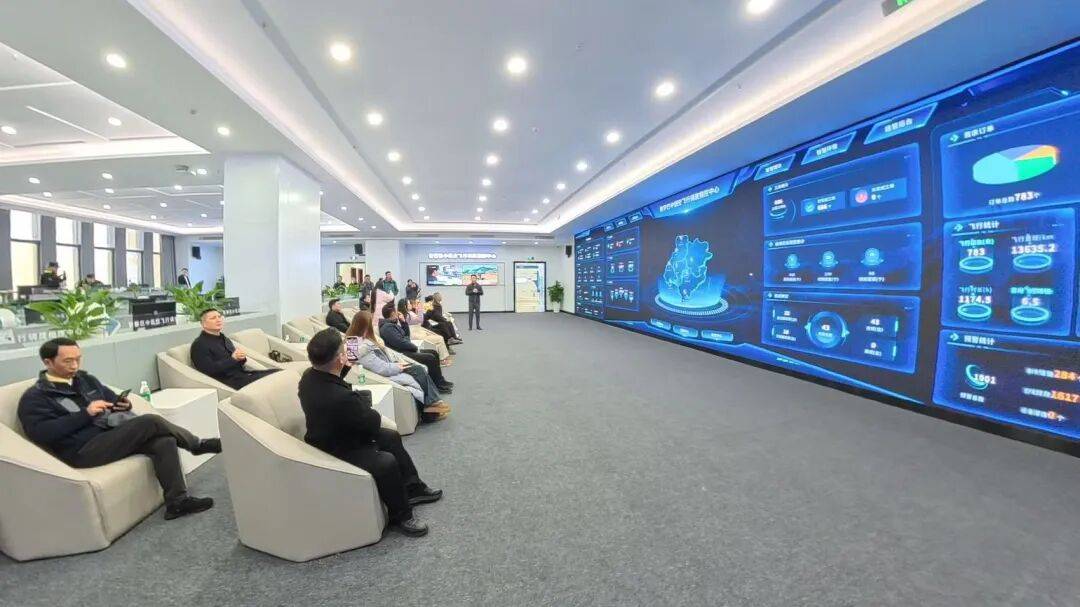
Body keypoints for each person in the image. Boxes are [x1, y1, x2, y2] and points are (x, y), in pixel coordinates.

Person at [18, 338, 219, 520]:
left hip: (110, 434)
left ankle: (177, 503)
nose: (75, 365)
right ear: (48, 362)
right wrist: (85, 414)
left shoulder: (86, 380)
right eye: (67, 361)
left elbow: (111, 399)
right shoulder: (36, 397)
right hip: (82, 450)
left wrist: (123, 404)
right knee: (150, 421)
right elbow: (41, 433)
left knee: (164, 441)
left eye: (78, 359)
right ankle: (197, 445)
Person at [299, 329, 441, 536]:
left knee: (390, 436)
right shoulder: (341, 398)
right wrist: (362, 404)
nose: (347, 352)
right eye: (344, 351)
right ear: (339, 359)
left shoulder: (309, 378)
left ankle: (413, 488)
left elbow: (335, 384)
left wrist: (344, 368)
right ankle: (402, 515)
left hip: (335, 431)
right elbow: (372, 422)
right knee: (386, 462)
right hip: (336, 447)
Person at [346, 311, 450, 421]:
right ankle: (433, 405)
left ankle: (432, 406)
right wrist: (397, 366)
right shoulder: (361, 347)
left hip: (390, 366)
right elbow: (380, 367)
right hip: (386, 372)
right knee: (419, 370)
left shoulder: (360, 341)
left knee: (420, 368)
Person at [190, 308, 279, 390]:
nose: (218, 320)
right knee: (276, 378)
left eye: (219, 317)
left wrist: (241, 358)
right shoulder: (199, 345)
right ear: (203, 324)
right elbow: (209, 370)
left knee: (280, 373)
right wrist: (233, 359)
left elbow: (236, 362)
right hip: (229, 382)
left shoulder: (224, 338)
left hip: (243, 375)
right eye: (213, 318)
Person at [378, 301, 454, 392]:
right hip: (402, 354)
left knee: (433, 353)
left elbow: (406, 335)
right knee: (430, 358)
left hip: (405, 350)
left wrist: (403, 322)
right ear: (393, 313)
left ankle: (439, 381)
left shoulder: (391, 324)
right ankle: (438, 385)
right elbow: (401, 342)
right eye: (396, 311)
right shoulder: (387, 328)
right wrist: (414, 347)